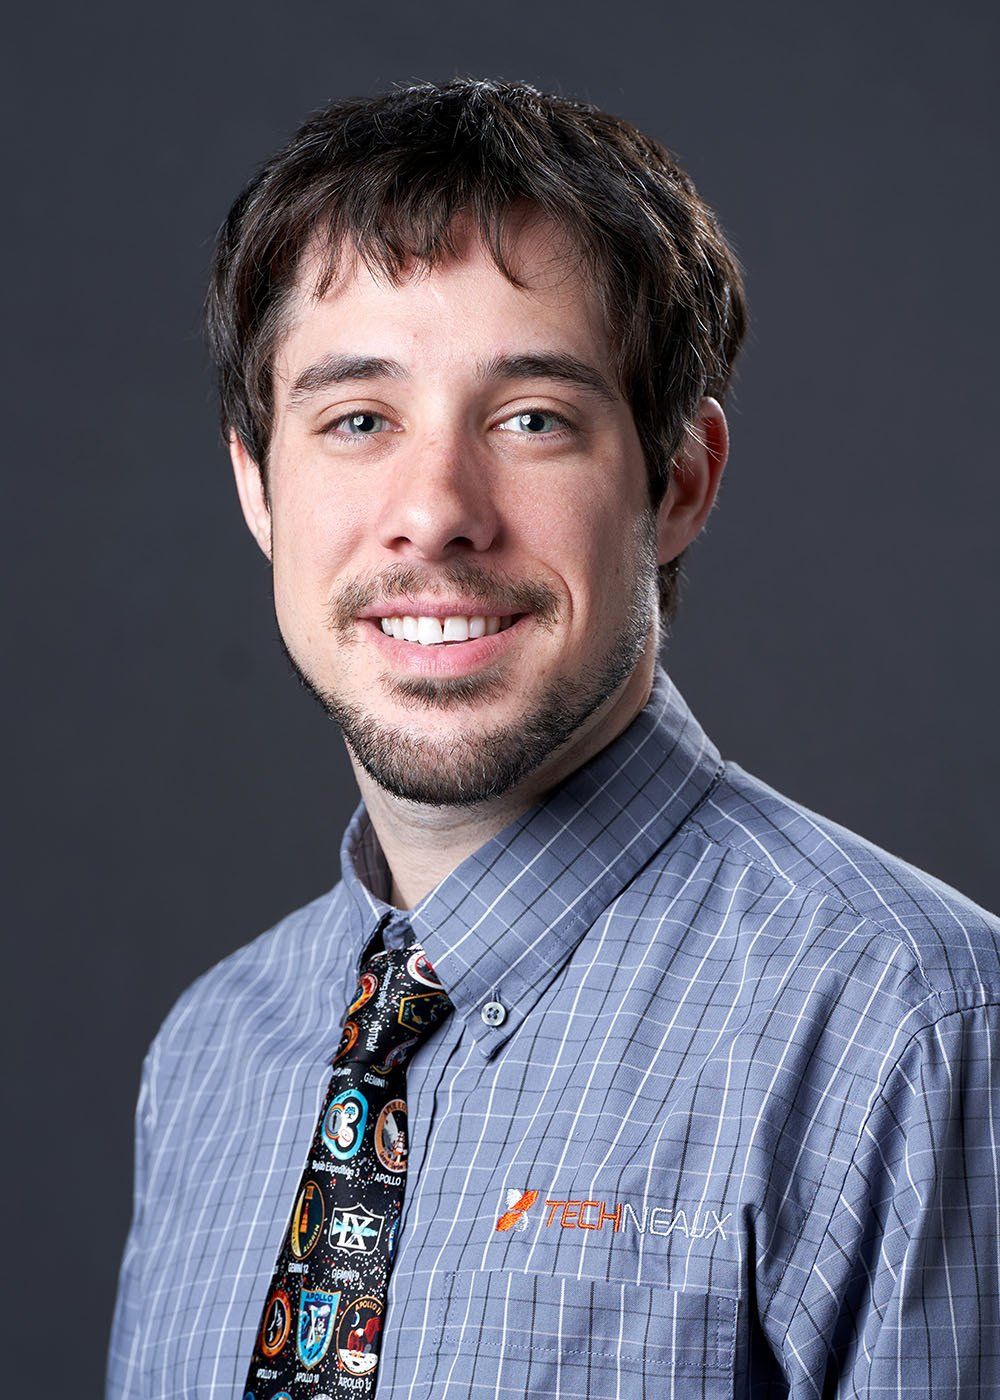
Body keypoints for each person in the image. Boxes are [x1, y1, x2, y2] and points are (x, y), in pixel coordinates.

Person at [106, 78, 1000, 1399]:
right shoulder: (209, 1056)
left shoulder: (909, 1031)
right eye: (358, 420)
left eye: (531, 419)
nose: (437, 513)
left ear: (679, 481)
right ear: (258, 484)